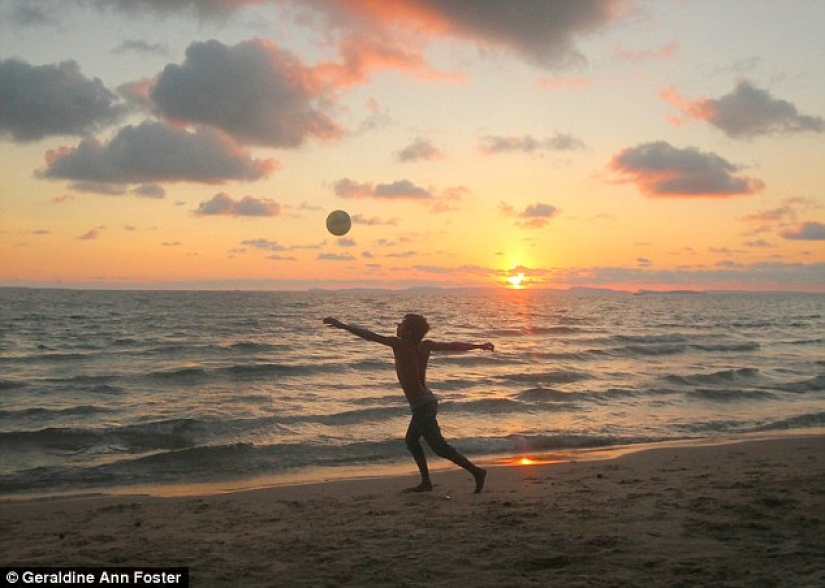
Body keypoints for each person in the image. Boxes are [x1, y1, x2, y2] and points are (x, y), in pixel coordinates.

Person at [323, 314, 493, 493]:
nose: (398, 326)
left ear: (409, 332)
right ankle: (426, 482)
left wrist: (342, 325)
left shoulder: (399, 345)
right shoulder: (426, 346)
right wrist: (478, 346)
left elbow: (370, 336)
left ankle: (476, 472)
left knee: (439, 447)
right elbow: (453, 346)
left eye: (401, 324)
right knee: (412, 441)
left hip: (422, 405)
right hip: (428, 401)